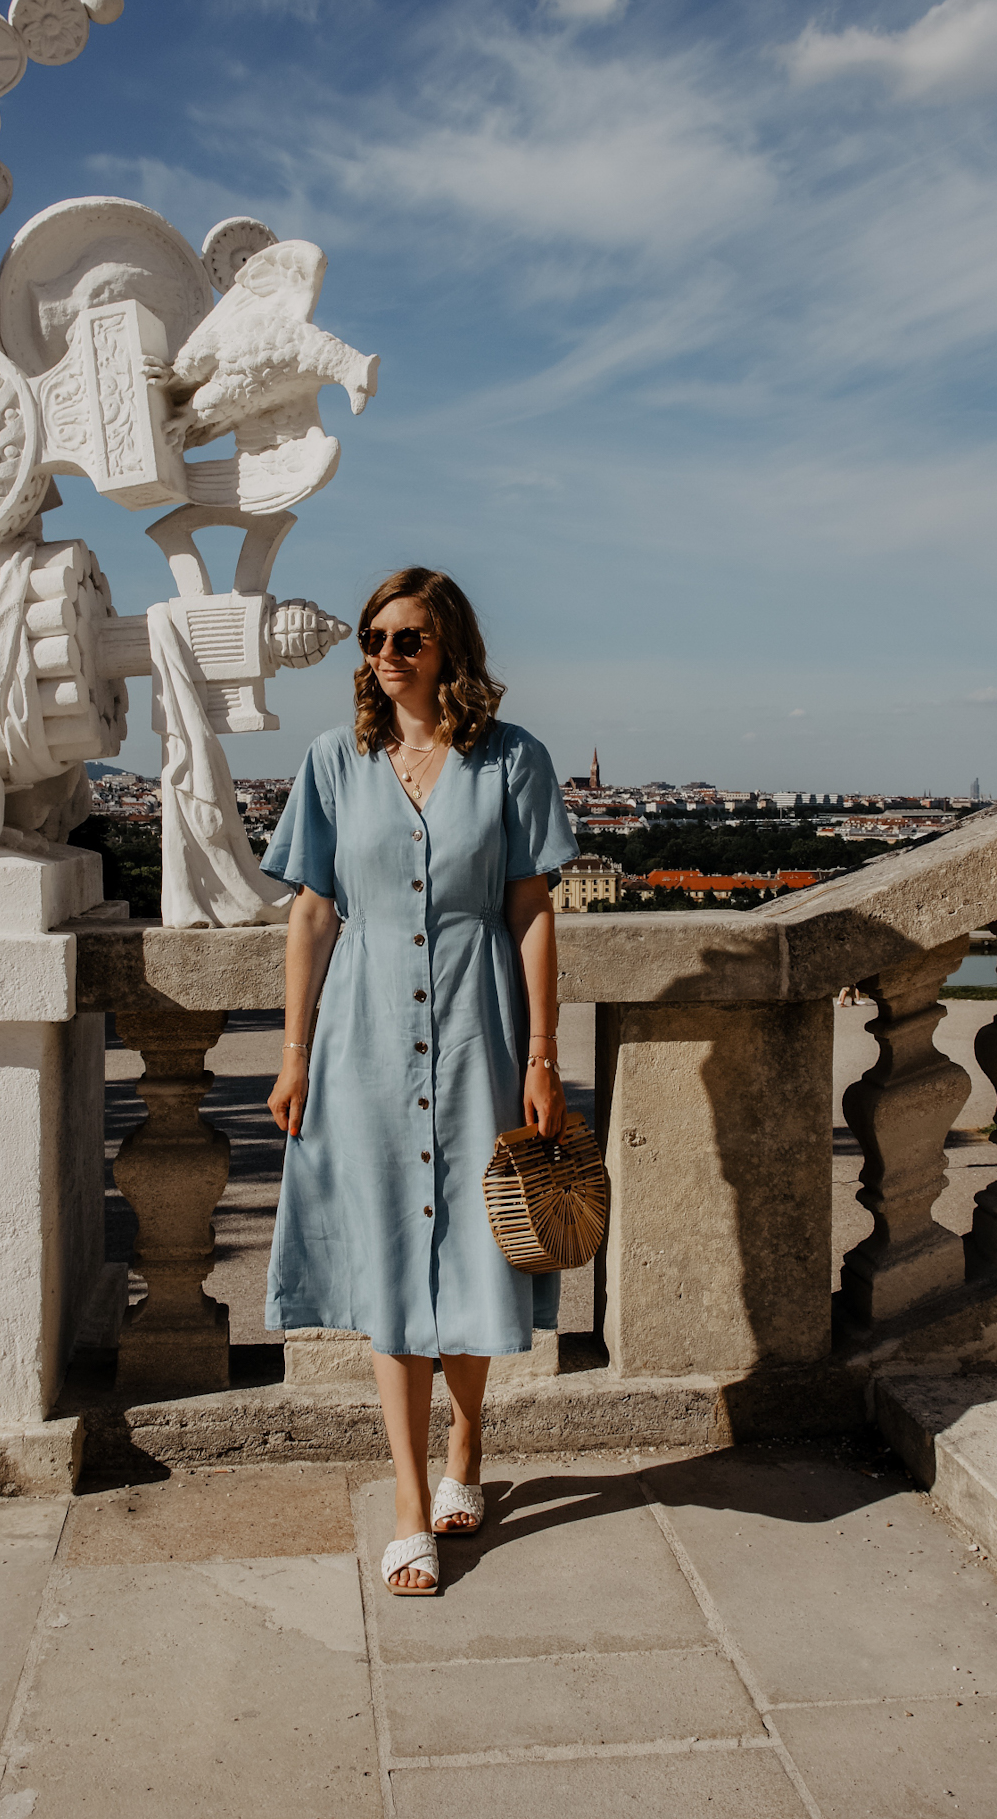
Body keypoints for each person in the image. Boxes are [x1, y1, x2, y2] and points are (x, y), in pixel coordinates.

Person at [263, 567, 577, 1596]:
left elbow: (530, 907)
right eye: (374, 637)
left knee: (480, 1248)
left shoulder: (511, 758)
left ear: (450, 649)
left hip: (475, 1028)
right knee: (393, 1263)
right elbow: (313, 912)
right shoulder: (332, 760)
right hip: (359, 1039)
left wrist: (541, 1051)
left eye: (408, 638)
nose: (386, 655)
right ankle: (409, 1503)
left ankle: (466, 1452)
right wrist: (294, 1050)